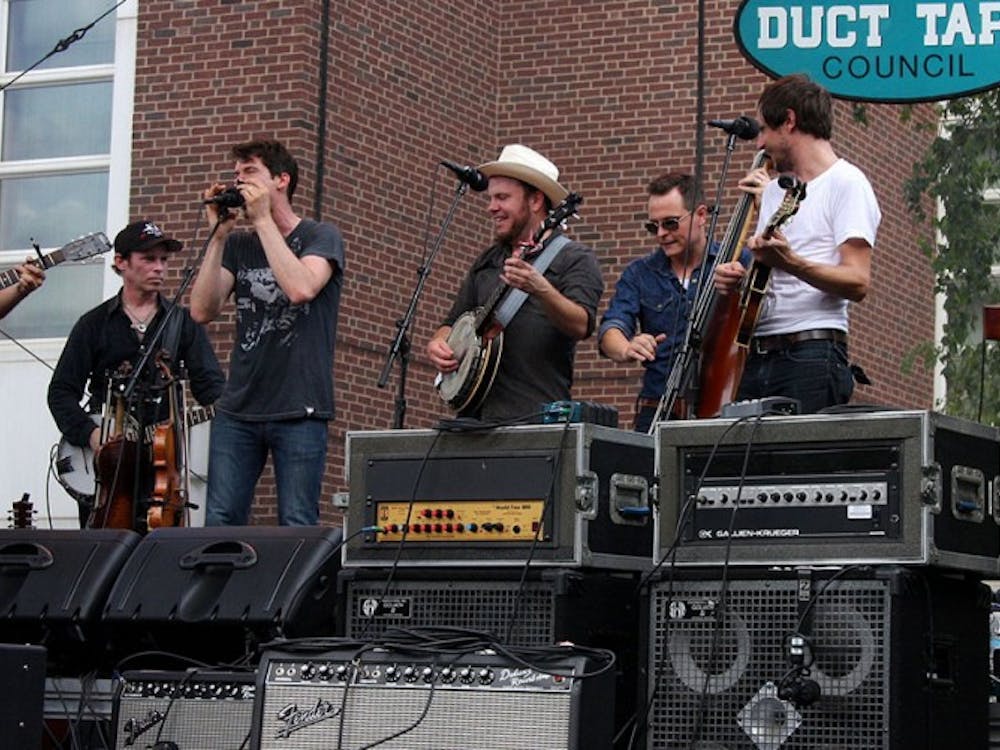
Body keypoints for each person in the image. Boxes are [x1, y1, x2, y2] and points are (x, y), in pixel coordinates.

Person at [191, 139, 345, 526]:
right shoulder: (240, 245)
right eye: (236, 174)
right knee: (220, 517)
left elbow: (301, 288)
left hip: (299, 406)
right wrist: (219, 238)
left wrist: (262, 221)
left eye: (250, 173)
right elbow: (202, 310)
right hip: (239, 408)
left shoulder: (319, 236)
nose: (238, 181)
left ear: (281, 180)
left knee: (296, 521)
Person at [713, 74, 881, 414]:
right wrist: (737, 280)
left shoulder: (847, 183)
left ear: (789, 121)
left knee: (801, 465)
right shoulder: (775, 191)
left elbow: (858, 282)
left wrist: (793, 263)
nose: (759, 144)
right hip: (756, 351)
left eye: (764, 130)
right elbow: (770, 275)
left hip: (812, 352)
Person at [48, 220, 224, 527]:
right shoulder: (93, 324)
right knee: (103, 552)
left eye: (163, 260)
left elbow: (212, 388)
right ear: (121, 262)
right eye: (148, 259)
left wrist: (234, 402)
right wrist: (91, 436)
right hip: (108, 467)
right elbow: (61, 392)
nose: (159, 268)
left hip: (163, 465)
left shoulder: (182, 323)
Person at [425, 144, 603, 422]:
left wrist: (540, 287)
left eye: (502, 198)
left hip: (533, 420)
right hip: (472, 421)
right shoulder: (488, 260)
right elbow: (452, 322)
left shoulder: (575, 259)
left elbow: (581, 325)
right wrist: (438, 344)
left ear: (535, 200)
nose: (491, 207)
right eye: (491, 198)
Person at [599, 172, 717, 432]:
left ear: (701, 215)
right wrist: (627, 347)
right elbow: (611, 328)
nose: (661, 234)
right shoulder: (639, 273)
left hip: (722, 407)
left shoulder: (732, 262)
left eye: (671, 223)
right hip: (658, 410)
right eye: (654, 226)